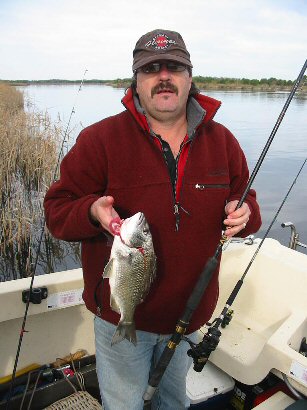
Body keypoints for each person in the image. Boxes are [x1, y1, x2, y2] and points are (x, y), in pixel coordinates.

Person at [44, 29, 261, 410]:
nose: (164, 76)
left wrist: (246, 213)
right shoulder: (100, 140)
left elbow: (246, 201)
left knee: (173, 402)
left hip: (190, 315)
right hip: (121, 315)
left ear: (189, 77)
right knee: (125, 403)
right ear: (137, 81)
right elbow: (57, 210)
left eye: (174, 67)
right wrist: (93, 213)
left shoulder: (223, 141)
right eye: (151, 69)